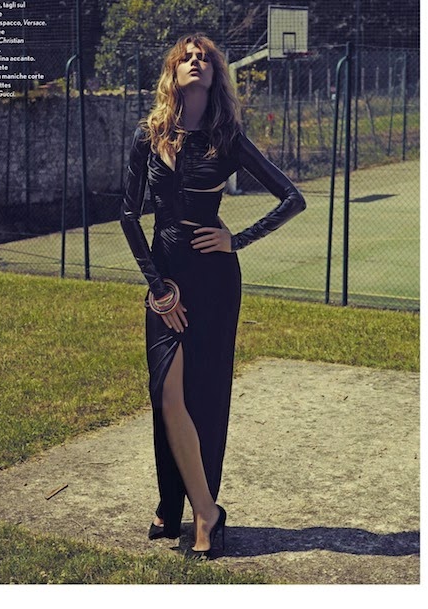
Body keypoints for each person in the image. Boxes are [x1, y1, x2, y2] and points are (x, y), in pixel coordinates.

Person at [120, 33, 306, 559]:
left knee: (204, 395)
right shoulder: (148, 136)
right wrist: (158, 288)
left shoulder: (227, 138)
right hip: (165, 279)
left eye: (203, 57)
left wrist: (236, 239)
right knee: (166, 393)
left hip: (214, 281)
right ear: (173, 72)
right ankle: (182, 502)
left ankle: (197, 510)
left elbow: (292, 198)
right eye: (186, 57)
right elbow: (128, 215)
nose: (195, 62)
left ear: (214, 73)